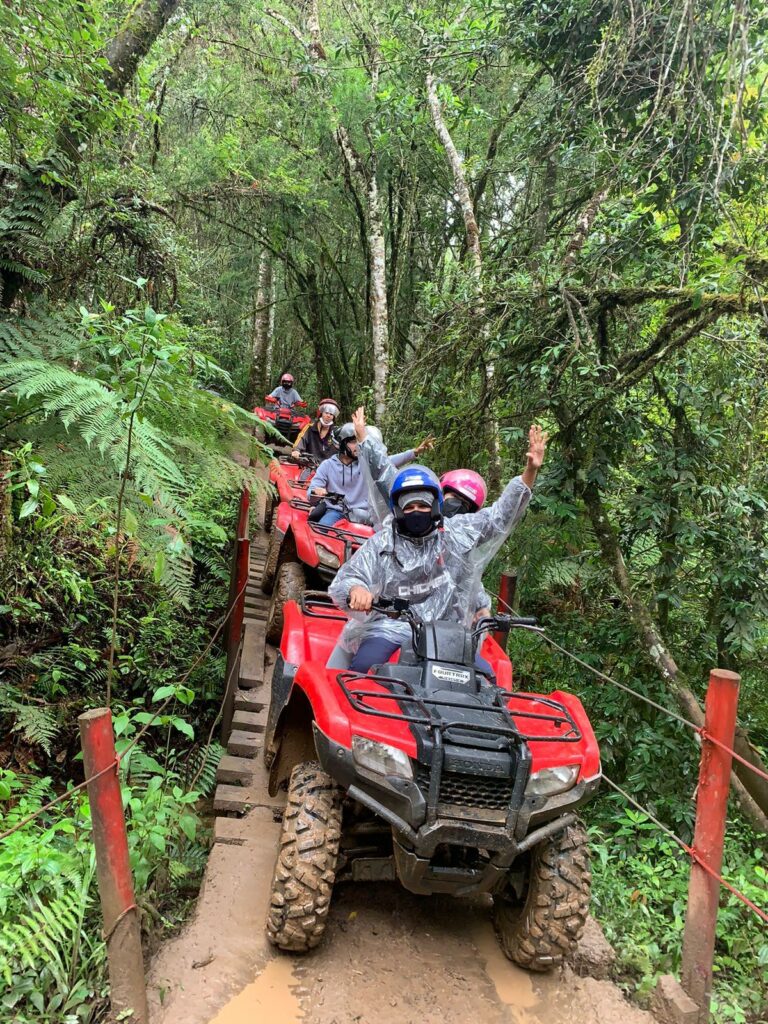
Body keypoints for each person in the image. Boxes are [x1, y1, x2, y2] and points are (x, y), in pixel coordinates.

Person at [327, 425, 547, 673]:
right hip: (392, 627)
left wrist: (530, 472)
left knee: (486, 680)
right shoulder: (383, 542)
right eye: (409, 507)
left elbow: (498, 519)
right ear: (398, 511)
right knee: (363, 668)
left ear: (434, 508)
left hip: (444, 633)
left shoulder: (454, 535)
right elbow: (349, 577)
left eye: (423, 505)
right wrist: (357, 589)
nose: (416, 511)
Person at [307, 423, 416, 527]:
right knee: (321, 528)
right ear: (341, 444)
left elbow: (387, 461)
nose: (358, 445)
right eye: (354, 442)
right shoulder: (327, 465)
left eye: (359, 441)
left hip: (366, 515)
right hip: (336, 511)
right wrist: (317, 491)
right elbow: (311, 492)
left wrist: (413, 453)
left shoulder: (366, 463)